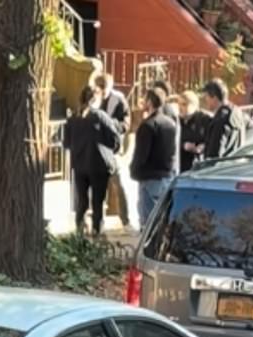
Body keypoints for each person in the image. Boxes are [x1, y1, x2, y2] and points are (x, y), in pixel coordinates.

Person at [64, 86, 121, 236]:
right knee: (98, 201)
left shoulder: (73, 118)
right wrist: (109, 151)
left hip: (79, 165)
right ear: (96, 99)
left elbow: (66, 143)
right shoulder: (100, 116)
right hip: (99, 165)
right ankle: (97, 230)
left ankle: (80, 230)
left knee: (81, 201)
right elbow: (115, 139)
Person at [130, 88, 177, 228]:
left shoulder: (148, 125)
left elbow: (141, 154)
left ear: (149, 102)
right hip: (167, 174)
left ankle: (149, 249)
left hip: (149, 177)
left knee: (148, 222)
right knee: (162, 219)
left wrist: (134, 169)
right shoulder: (170, 123)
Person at [93, 73, 132, 230]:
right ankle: (97, 221)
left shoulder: (119, 100)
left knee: (118, 183)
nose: (101, 92)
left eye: (104, 88)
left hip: (112, 149)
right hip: (95, 148)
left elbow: (126, 124)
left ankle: (126, 220)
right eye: (99, 88)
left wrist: (111, 126)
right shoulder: (92, 98)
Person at [202, 79, 246, 159]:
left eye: (206, 97)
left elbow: (215, 153)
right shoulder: (236, 111)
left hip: (221, 168)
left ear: (214, 97)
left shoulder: (220, 120)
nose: (205, 101)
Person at [178, 90, 211, 172]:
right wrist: (183, 145)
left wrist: (203, 146)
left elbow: (212, 139)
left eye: (184, 104)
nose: (180, 108)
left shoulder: (205, 119)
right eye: (179, 104)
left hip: (199, 165)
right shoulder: (177, 121)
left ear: (194, 105)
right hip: (181, 165)